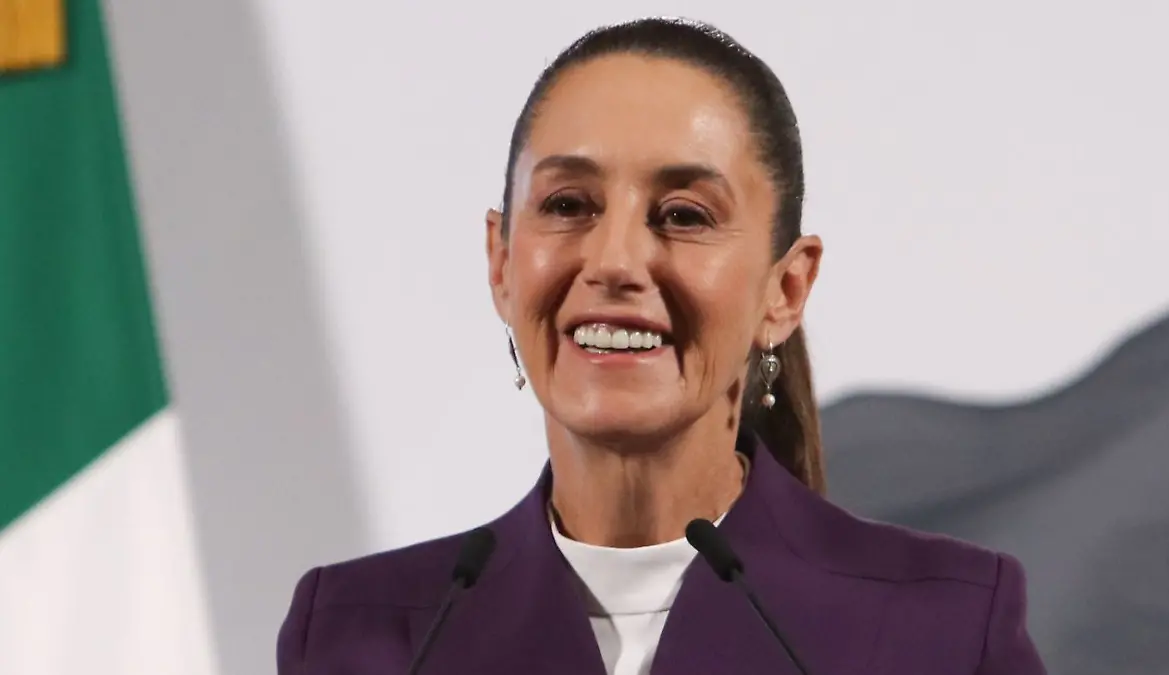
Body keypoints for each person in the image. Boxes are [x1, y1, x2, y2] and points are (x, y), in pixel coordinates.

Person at [277, 17, 1046, 675]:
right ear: (501, 262)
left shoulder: (940, 629)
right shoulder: (356, 633)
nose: (614, 260)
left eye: (683, 215)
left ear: (785, 289)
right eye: (568, 204)